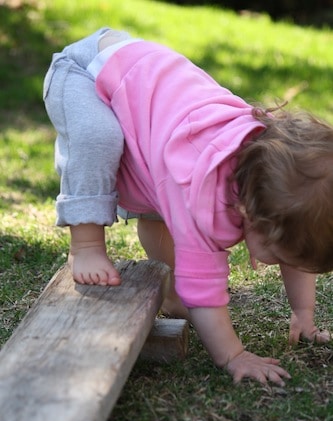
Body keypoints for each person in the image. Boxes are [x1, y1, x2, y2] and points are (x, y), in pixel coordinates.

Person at [44, 28, 333, 387]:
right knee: (97, 139)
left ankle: (171, 294)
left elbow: (297, 253)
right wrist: (233, 356)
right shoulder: (204, 197)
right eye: (278, 252)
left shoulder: (279, 180)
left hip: (145, 92)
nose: (281, 261)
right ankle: (86, 244)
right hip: (88, 73)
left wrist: (304, 314)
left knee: (165, 201)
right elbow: (205, 287)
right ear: (250, 214)